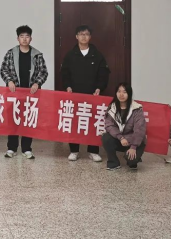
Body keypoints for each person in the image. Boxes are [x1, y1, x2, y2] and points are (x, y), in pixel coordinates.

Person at [62, 25, 110, 162]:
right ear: (76, 36)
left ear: (90, 37)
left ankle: (93, 151)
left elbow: (103, 74)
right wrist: (67, 86)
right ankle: (74, 150)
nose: (84, 36)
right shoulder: (70, 55)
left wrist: (99, 88)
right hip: (74, 95)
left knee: (93, 122)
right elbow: (65, 73)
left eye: (87, 34)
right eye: (81, 34)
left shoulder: (97, 55)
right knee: (74, 122)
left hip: (93, 95)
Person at [0, 25, 48, 160]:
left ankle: (27, 148)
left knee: (28, 120)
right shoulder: (11, 53)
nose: (24, 39)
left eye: (27, 36)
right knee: (13, 120)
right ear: (18, 38)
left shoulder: (37, 55)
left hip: (31, 94)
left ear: (31, 38)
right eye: (22, 36)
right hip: (14, 93)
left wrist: (37, 83)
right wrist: (9, 81)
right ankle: (11, 148)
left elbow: (44, 72)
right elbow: (3, 70)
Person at [102, 83, 147, 171]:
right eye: (119, 91)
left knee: (132, 161)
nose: (121, 94)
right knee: (106, 137)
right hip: (120, 139)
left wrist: (133, 147)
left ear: (129, 94)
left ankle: (134, 158)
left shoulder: (136, 109)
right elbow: (109, 125)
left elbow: (139, 130)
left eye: (124, 92)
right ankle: (113, 162)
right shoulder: (112, 108)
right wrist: (121, 137)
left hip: (133, 140)